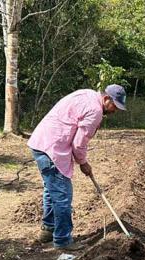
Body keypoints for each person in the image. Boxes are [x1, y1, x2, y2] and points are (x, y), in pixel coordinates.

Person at [27, 84, 127, 250]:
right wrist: (83, 163)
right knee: (63, 195)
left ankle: (48, 230)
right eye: (114, 106)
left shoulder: (87, 93)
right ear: (107, 98)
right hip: (53, 148)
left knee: (52, 191)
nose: (114, 110)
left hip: (41, 143)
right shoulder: (95, 111)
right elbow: (78, 144)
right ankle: (62, 241)